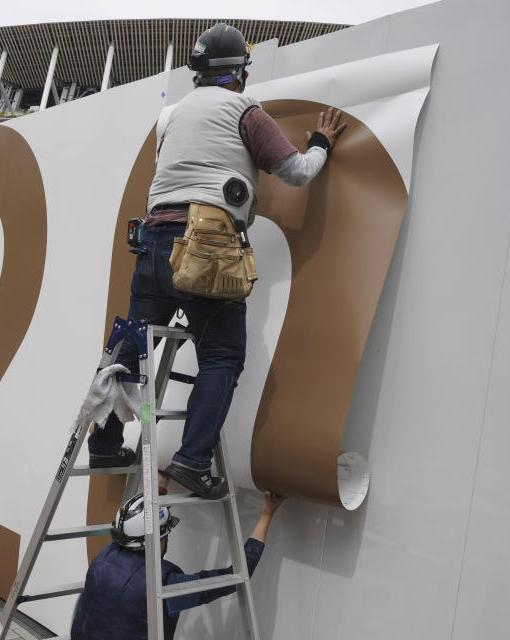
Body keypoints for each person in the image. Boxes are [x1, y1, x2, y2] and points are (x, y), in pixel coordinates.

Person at [88, 23, 347, 499]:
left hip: (152, 241)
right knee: (222, 355)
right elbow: (296, 174)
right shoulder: (245, 110)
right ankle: (191, 460)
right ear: (239, 73)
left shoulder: (172, 115)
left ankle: (104, 442)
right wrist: (321, 144)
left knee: (131, 349)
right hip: (205, 245)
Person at [71, 491, 284, 640]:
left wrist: (159, 488)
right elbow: (235, 576)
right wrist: (266, 515)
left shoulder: (103, 558)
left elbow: (142, 529)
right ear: (159, 540)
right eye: (164, 534)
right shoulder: (164, 586)